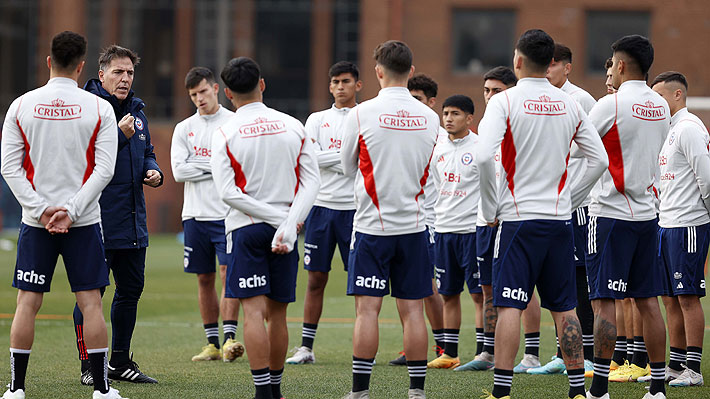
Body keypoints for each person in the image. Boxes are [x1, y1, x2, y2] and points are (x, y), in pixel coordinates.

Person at [477, 29, 607, 399]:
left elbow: (485, 157)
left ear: (518, 61)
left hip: (518, 219)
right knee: (565, 308)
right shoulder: (570, 103)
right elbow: (598, 159)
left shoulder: (504, 101)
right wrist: (570, 198)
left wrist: (489, 209)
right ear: (550, 62)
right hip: (558, 221)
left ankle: (502, 391)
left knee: (508, 305)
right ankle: (578, 390)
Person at [1, 31, 125, 399]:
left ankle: (16, 389)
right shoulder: (99, 107)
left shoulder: (22, 105)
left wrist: (41, 211)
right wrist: (70, 211)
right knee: (91, 303)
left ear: (48, 60)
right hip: (83, 222)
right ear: (83, 65)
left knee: (27, 303)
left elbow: (9, 167)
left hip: (35, 222)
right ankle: (102, 391)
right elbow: (105, 169)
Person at [211, 57, 320, 399]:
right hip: (285, 231)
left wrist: (275, 220)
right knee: (279, 315)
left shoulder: (225, 131)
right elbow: (312, 182)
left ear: (227, 93)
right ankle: (276, 390)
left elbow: (228, 193)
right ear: (262, 83)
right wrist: (287, 223)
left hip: (246, 228)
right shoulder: (293, 125)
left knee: (253, 313)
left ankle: (262, 394)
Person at [340, 40, 440, 399]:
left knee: (367, 310)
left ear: (378, 71)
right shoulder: (430, 116)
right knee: (413, 311)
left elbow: (346, 165)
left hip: (371, 226)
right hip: (414, 226)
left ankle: (360, 392)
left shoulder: (361, 113)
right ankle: (416, 391)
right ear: (411, 71)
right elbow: (434, 173)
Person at [585, 35, 671, 399]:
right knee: (648, 300)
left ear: (619, 65)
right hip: (648, 216)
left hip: (610, 213)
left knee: (604, 301)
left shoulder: (611, 105)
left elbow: (579, 148)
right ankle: (657, 386)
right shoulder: (662, 105)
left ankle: (600, 388)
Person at [73, 44, 162, 385]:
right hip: (95, 220)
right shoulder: (87, 110)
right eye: (118, 73)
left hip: (132, 220)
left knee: (130, 290)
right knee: (90, 294)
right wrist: (120, 139)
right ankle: (88, 366)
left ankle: (120, 362)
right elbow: (83, 159)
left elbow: (148, 151)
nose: (125, 79)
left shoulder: (138, 112)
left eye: (129, 73)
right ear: (101, 75)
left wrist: (153, 171)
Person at [457, 66, 543, 373]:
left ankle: (531, 353)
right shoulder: (486, 126)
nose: (490, 96)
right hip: (484, 221)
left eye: (497, 90)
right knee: (488, 289)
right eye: (486, 90)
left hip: (514, 218)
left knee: (525, 286)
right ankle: (487, 352)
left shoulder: (519, 125)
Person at [287, 61, 362, 365]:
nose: (340, 86)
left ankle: (361, 348)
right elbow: (310, 160)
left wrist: (332, 158)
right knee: (316, 278)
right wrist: (345, 156)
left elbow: (363, 159)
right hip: (321, 209)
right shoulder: (317, 119)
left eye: (346, 81)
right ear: (329, 86)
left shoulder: (364, 116)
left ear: (358, 85)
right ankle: (306, 347)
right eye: (335, 82)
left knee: (359, 282)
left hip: (357, 210)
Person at [170, 67, 243, 362]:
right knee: (204, 278)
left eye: (202, 92)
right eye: (193, 95)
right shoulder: (183, 128)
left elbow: (238, 167)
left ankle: (229, 340)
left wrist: (199, 164)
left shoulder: (234, 123)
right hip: (195, 215)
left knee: (228, 274)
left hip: (228, 215)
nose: (198, 98)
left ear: (215, 89)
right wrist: (214, 165)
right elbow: (178, 172)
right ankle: (211, 344)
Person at [532, 43, 596, 377]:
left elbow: (595, 153)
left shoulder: (582, 100)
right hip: (551, 203)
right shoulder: (544, 100)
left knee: (580, 275)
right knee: (560, 276)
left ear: (567, 68)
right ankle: (561, 352)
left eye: (553, 65)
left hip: (578, 204)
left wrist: (576, 193)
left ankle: (585, 353)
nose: (547, 71)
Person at [651, 71, 709, 387]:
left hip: (688, 224)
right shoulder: (669, 132)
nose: (656, 104)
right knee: (669, 298)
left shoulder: (689, 129)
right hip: (666, 224)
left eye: (660, 97)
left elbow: (707, 178)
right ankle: (675, 364)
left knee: (687, 297)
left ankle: (694, 369)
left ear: (677, 95)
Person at [389, 74, 447, 367]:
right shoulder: (405, 133)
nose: (411, 106)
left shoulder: (437, 133)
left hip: (431, 222)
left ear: (431, 102)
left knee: (429, 288)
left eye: (418, 100)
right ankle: (410, 347)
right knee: (407, 288)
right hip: (408, 220)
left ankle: (442, 346)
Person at [425, 95, 481, 370]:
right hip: (444, 229)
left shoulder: (481, 147)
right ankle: (450, 353)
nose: (448, 118)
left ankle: (484, 353)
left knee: (479, 294)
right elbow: (436, 186)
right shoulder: (437, 149)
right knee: (448, 293)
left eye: (455, 113)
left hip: (472, 230)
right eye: (445, 113)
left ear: (469, 118)